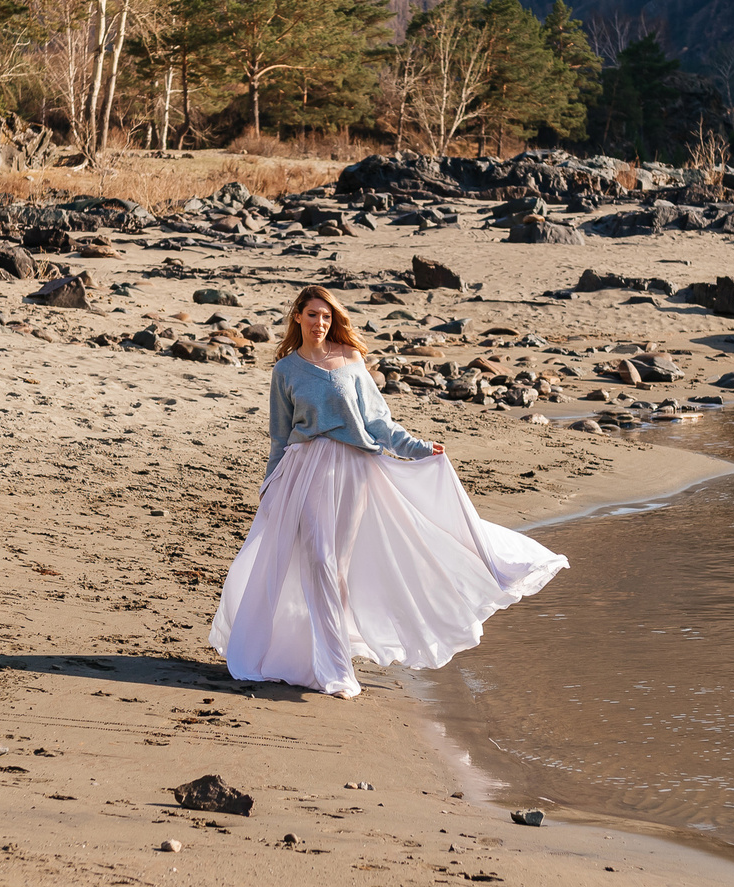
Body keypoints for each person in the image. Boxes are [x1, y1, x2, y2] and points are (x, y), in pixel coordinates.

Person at [209, 284, 568, 697]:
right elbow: (279, 436)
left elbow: (379, 422)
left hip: (356, 471)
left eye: (326, 317)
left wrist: (416, 448)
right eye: (312, 315)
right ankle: (335, 671)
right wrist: (270, 484)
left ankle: (326, 648)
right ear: (297, 317)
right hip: (305, 470)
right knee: (320, 559)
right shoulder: (286, 371)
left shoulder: (351, 360)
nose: (319, 323)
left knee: (338, 567)